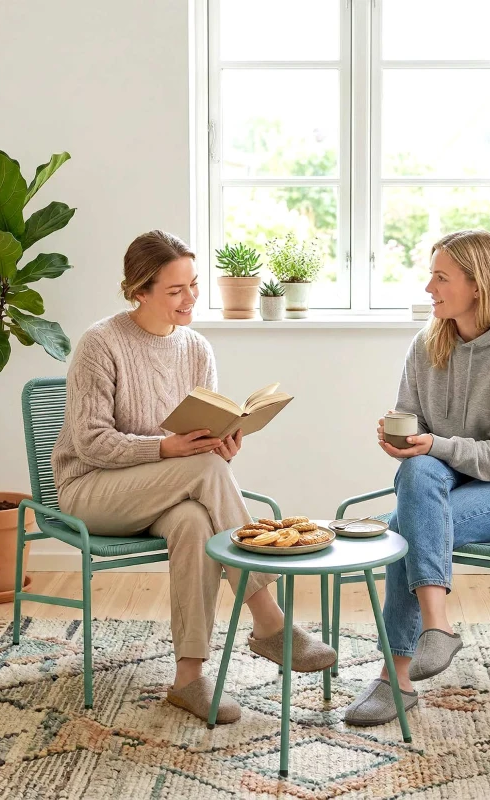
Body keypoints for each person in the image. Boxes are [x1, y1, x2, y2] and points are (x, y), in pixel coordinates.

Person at [51, 230, 336, 724]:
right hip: (92, 490)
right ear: (139, 291)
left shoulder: (198, 349)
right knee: (201, 471)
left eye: (194, 284)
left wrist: (223, 445)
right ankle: (269, 619)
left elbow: (201, 450)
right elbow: (89, 443)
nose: (191, 299)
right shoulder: (101, 344)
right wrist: (167, 448)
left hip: (166, 491)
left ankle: (188, 678)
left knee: (192, 522)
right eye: (175, 290)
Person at [344, 229, 490, 726]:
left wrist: (436, 446)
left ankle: (393, 674)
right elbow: (413, 419)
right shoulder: (428, 343)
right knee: (417, 473)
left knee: (405, 524)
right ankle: (436, 629)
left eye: (441, 277)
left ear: (477, 285)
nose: (429, 288)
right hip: (451, 483)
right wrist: (403, 438)